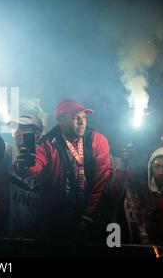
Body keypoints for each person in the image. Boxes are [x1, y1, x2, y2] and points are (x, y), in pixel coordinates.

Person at [15, 99, 111, 243]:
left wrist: (88, 214)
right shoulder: (47, 143)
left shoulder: (98, 140)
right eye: (74, 117)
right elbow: (32, 169)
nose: (81, 122)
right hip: (55, 221)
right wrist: (22, 166)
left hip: (90, 216)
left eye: (84, 117)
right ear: (60, 120)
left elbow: (101, 181)